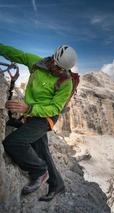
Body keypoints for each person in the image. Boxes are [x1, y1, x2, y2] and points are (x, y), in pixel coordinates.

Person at [0, 43, 77, 201]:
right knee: (41, 149)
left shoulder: (66, 82)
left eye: (64, 70)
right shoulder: (36, 63)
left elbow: (55, 108)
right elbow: (15, 53)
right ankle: (57, 185)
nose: (60, 71)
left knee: (14, 142)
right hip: (31, 112)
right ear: (53, 59)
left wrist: (28, 108)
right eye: (58, 67)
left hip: (45, 117)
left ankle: (40, 171)